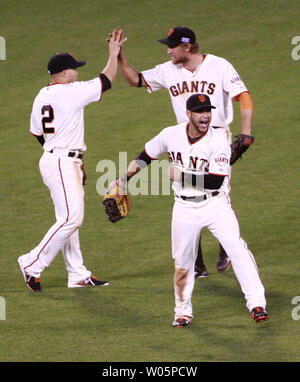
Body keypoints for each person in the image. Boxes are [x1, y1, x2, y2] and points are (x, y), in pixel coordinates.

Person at [112, 93, 268, 327]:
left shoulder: (219, 139)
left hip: (215, 204)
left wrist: (183, 175)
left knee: (236, 248)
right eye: (199, 111)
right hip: (184, 207)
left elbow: (215, 181)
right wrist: (121, 180)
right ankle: (182, 312)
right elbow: (145, 156)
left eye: (208, 111)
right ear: (188, 114)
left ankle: (256, 304)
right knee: (183, 261)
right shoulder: (170, 134)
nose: (205, 115)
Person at [116, 26, 255, 279]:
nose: (168, 50)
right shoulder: (167, 70)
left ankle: (227, 247)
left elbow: (243, 96)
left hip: (216, 139)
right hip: (184, 139)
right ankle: (198, 265)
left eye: (172, 46)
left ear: (188, 47)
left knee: (217, 192)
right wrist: (119, 56)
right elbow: (134, 80)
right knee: (187, 194)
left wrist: (245, 131)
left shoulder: (219, 65)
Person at [18, 30, 127, 291]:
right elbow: (106, 80)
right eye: (75, 69)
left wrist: (69, 157)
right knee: (72, 218)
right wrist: (113, 53)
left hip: (55, 159)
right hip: (61, 162)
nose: (78, 73)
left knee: (66, 217)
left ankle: (76, 274)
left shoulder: (41, 95)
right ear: (64, 73)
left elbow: (38, 134)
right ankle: (31, 262)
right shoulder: (70, 91)